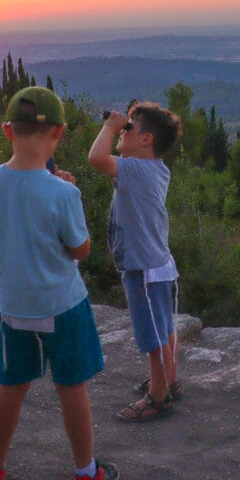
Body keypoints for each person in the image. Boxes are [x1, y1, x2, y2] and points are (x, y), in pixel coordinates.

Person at [0, 86, 118, 480]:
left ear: (7, 131)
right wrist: (68, 191)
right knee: (72, 388)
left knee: (10, 387)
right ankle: (86, 475)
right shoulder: (63, 192)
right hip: (63, 306)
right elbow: (80, 250)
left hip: (13, 307)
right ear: (61, 134)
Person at [88, 101, 184, 422]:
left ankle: (158, 398)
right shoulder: (156, 169)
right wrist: (122, 127)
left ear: (147, 140)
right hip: (160, 264)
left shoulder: (135, 170)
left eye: (130, 127)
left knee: (152, 336)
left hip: (142, 268)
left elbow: (96, 158)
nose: (122, 131)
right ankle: (168, 380)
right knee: (166, 329)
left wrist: (109, 127)